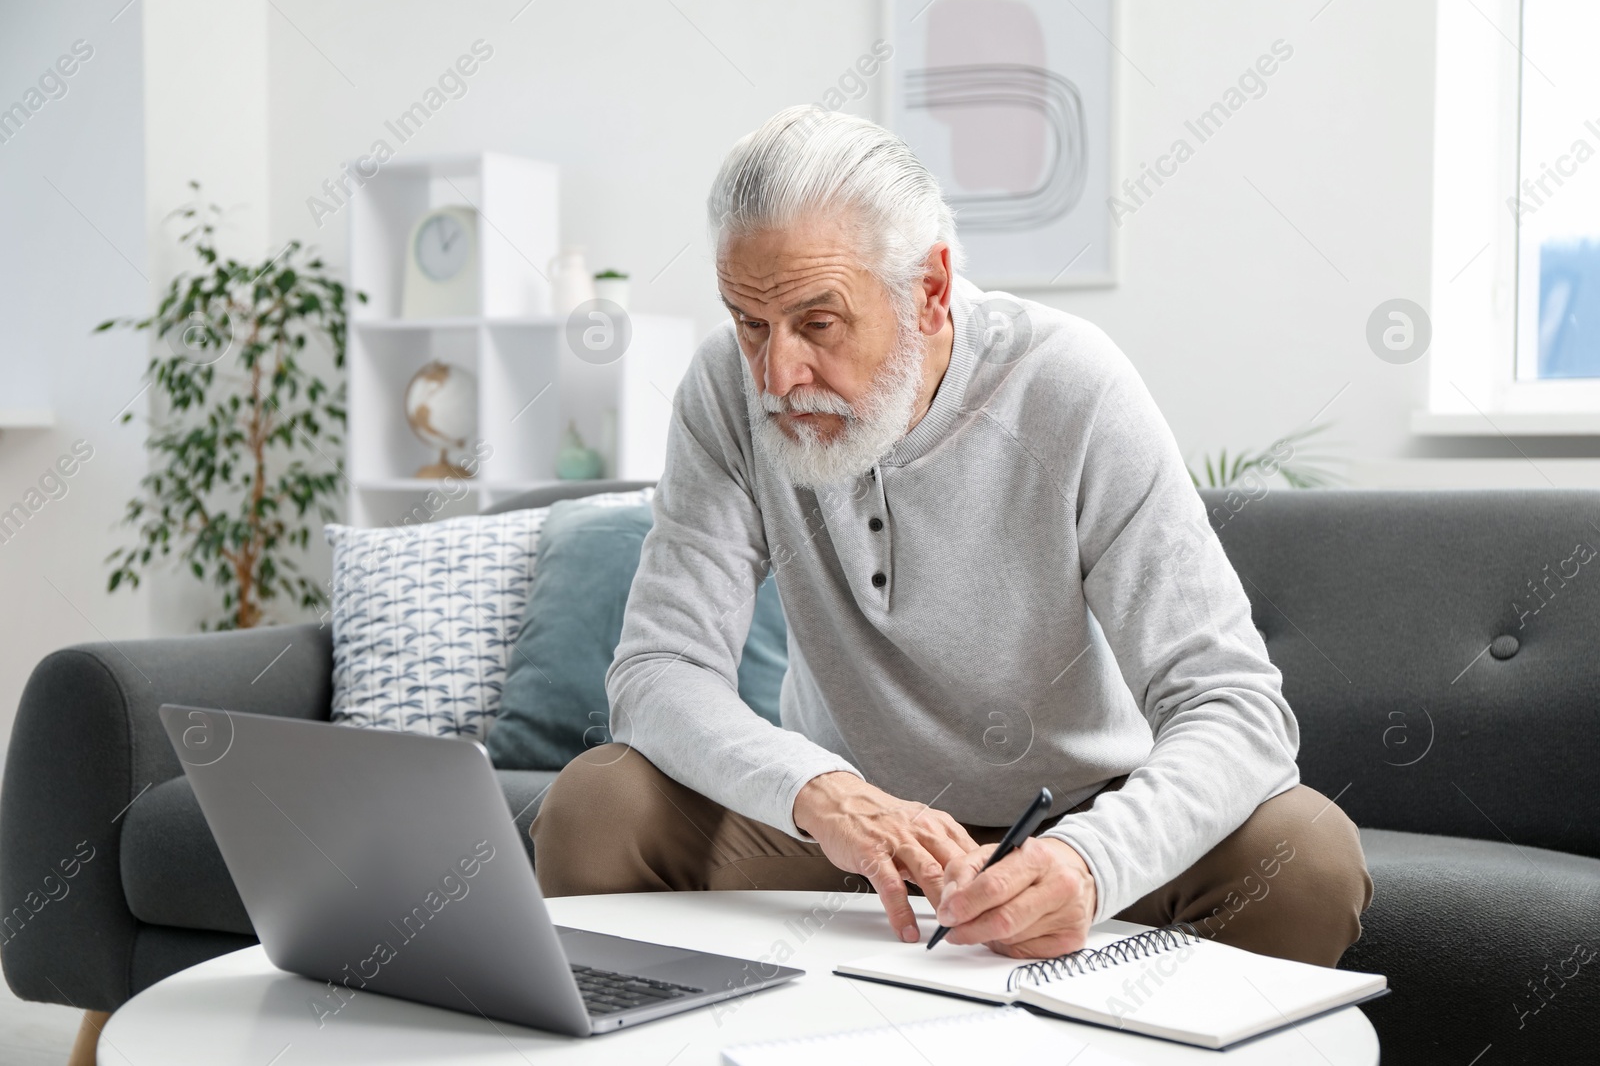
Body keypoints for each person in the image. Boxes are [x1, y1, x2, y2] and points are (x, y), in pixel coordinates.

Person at [531, 105, 1372, 966]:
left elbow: (1234, 705)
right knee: (600, 807)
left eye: (818, 323)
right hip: (846, 830)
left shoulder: (1074, 387)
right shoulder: (727, 387)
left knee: (1304, 856)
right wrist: (819, 790)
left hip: (1070, 820)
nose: (777, 375)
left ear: (929, 292)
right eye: (751, 323)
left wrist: (1091, 859)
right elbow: (659, 668)